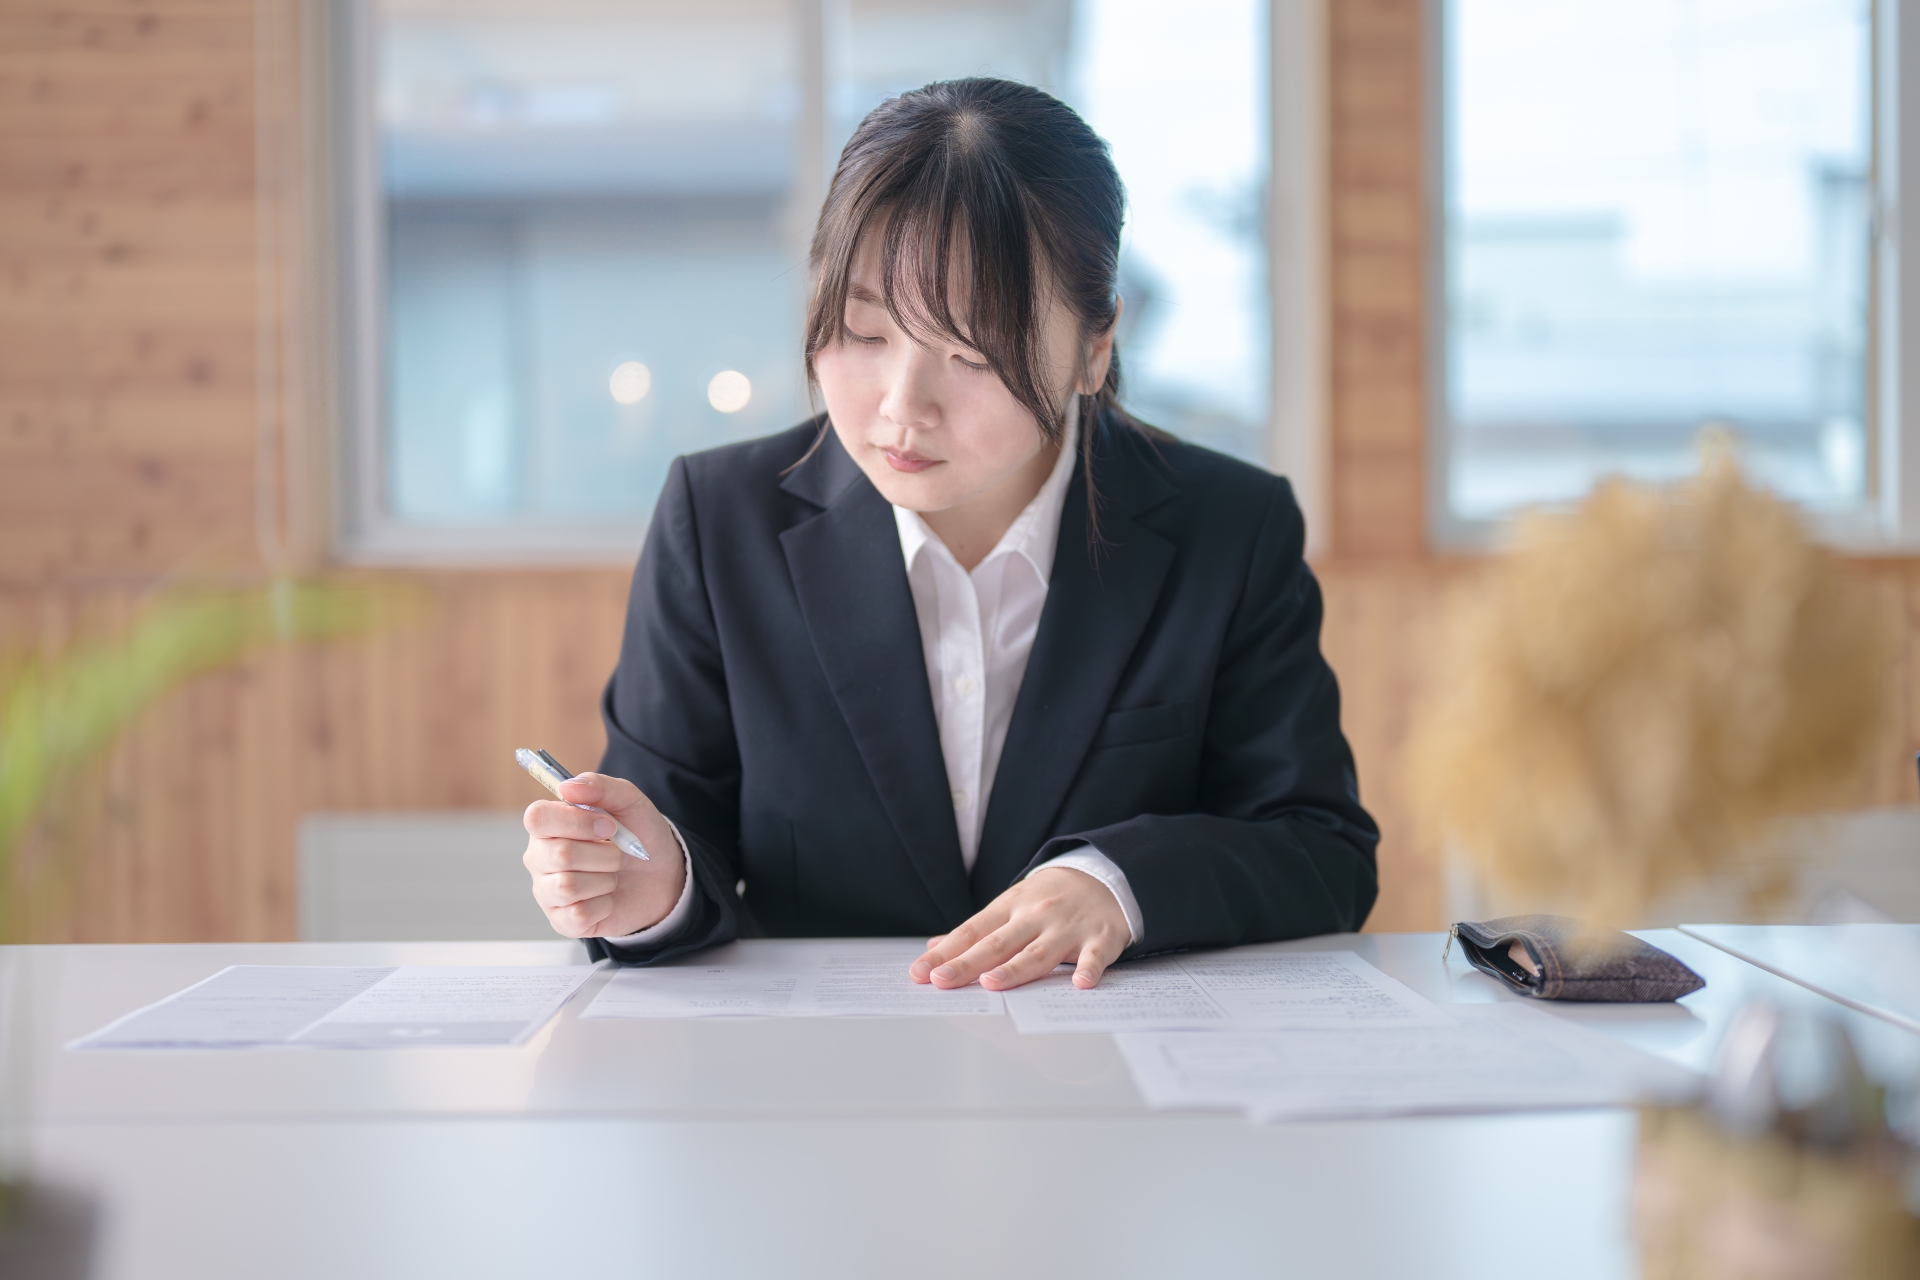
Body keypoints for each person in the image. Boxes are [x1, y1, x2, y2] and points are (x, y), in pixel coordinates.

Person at [521, 77, 1378, 993]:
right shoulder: (718, 517)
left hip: (1108, 1091)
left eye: (969, 354)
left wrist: (1118, 884)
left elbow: (1320, 852)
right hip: (814, 1090)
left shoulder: (1228, 528)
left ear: (1096, 346)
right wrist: (654, 889)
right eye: (861, 333)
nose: (900, 409)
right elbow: (673, 836)